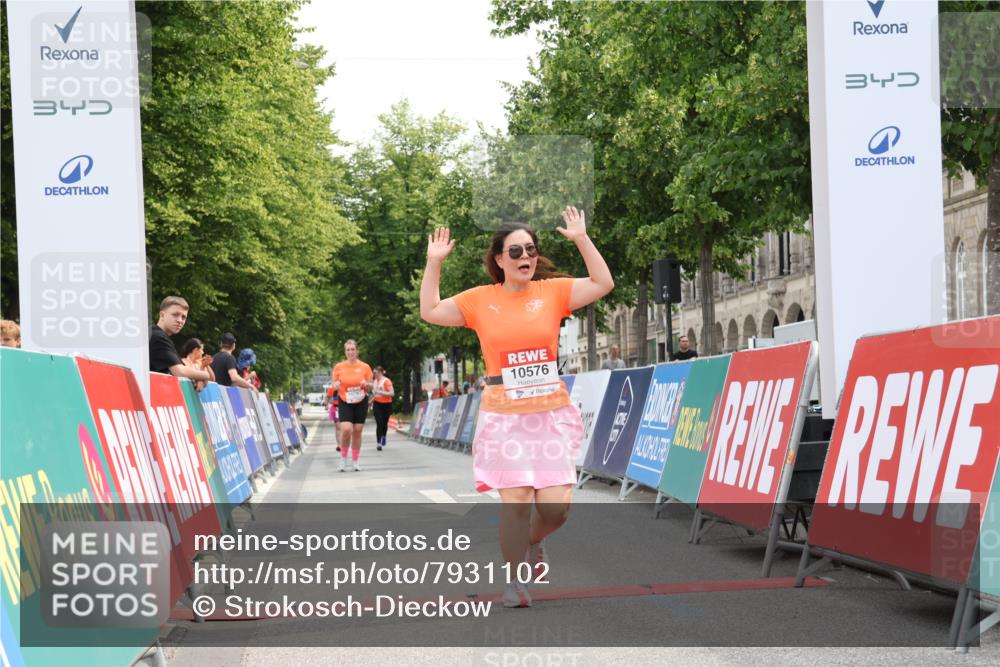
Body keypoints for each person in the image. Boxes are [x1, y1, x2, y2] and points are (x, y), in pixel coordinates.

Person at [420, 206, 614, 608]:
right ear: (499, 260)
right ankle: (512, 582)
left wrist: (581, 238)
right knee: (517, 501)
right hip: (503, 416)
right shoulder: (480, 300)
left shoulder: (553, 291)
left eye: (530, 249)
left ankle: (531, 543)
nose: (525, 257)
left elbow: (603, 282)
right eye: (515, 252)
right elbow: (430, 311)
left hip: (549, 414)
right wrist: (433, 263)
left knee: (556, 509)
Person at [332, 339, 373, 472]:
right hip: (345, 400)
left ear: (357, 351)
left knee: (358, 431)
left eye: (352, 349)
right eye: (348, 350)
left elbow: (371, 384)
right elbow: (334, 383)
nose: (350, 352)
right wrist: (336, 385)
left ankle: (355, 461)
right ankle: (343, 459)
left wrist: (367, 384)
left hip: (361, 400)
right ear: (345, 352)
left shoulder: (365, 367)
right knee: (346, 429)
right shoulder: (339, 367)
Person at [149, 296, 211, 382]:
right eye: (175, 315)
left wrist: (199, 379)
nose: (180, 320)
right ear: (162, 315)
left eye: (183, 317)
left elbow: (183, 370)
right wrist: (206, 375)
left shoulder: (157, 335)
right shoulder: (158, 337)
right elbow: (179, 371)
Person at [370, 366, 394, 451]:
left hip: (386, 404)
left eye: (375, 373)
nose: (374, 374)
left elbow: (392, 393)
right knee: (379, 423)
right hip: (377, 404)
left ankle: (384, 435)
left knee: (384, 423)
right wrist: (370, 401)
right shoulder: (374, 382)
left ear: (380, 372)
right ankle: (378, 443)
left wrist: (381, 392)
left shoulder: (386, 381)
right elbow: (375, 394)